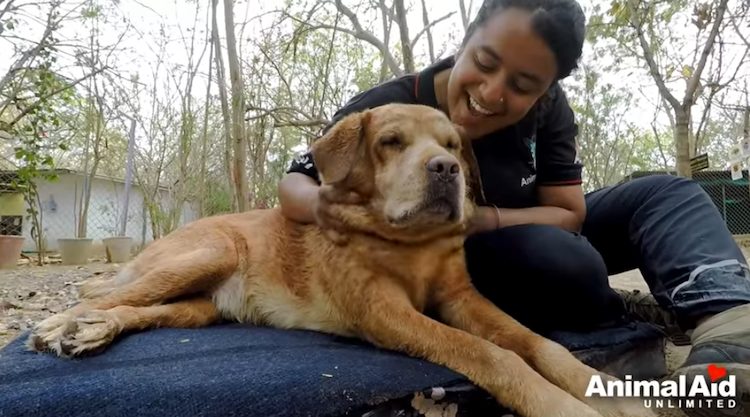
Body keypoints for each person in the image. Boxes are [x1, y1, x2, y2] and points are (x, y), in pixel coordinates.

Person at [278, 0, 750, 415]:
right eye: (484, 62)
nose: (491, 93)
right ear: (465, 42)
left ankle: (730, 339)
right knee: (562, 258)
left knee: (667, 193)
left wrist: (480, 216)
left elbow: (569, 212)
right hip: (441, 254)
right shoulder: (391, 109)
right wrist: (342, 209)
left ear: (545, 92)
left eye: (523, 85)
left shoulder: (550, 113)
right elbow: (294, 182)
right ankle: (614, 308)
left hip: (519, 229)